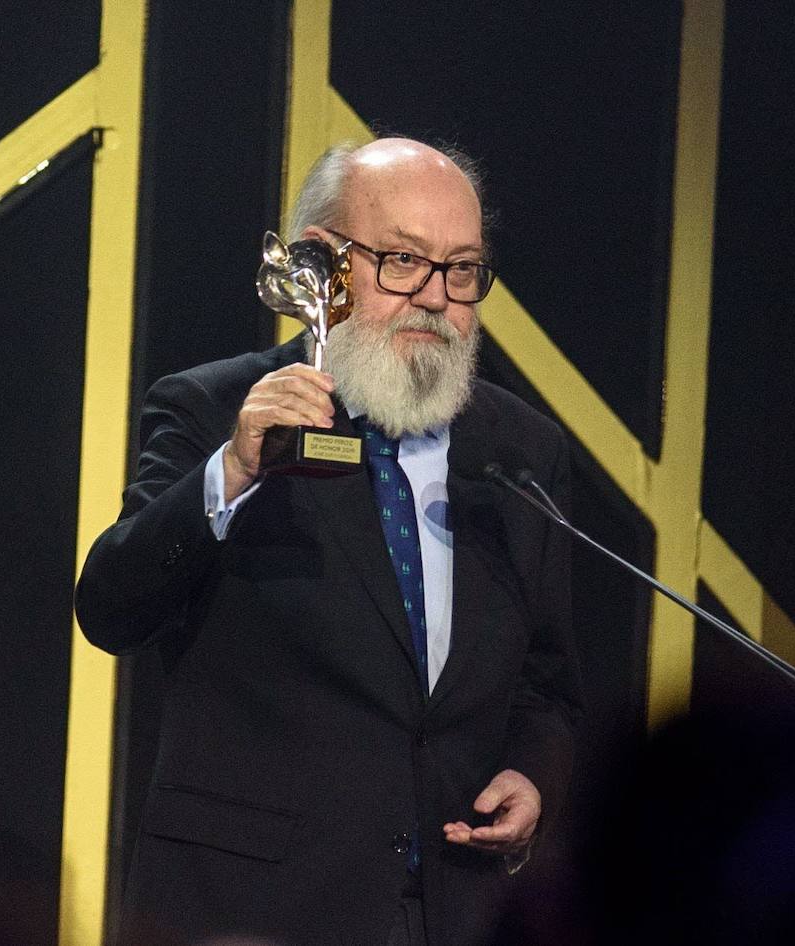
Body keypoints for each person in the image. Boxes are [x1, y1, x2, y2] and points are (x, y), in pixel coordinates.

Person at [75, 137, 581, 946]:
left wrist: (532, 774)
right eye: (402, 261)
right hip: (253, 914)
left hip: (455, 909)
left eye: (461, 270)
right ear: (320, 267)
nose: (435, 299)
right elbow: (112, 608)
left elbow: (546, 686)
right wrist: (235, 469)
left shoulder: (521, 451)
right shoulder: (216, 411)